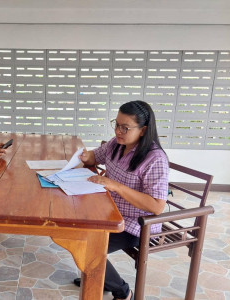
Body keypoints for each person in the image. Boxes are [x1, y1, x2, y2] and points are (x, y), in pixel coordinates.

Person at [73, 100, 169, 300]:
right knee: (74, 231)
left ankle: (123, 292)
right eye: (116, 124)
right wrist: (83, 156)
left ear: (143, 130)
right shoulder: (116, 144)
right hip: (109, 211)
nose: (118, 131)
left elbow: (157, 206)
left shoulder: (155, 159)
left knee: (87, 247)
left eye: (125, 127)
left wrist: (115, 185)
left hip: (134, 224)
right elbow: (93, 158)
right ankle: (98, 276)